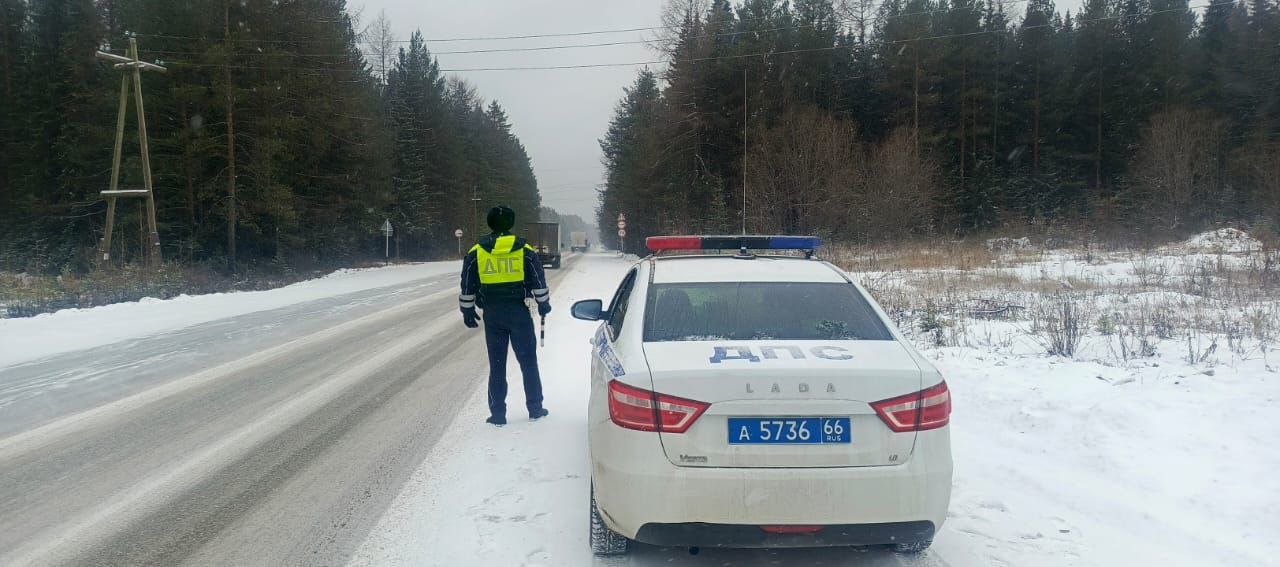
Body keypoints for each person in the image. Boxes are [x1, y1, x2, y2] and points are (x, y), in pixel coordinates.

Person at [459, 205, 552, 426]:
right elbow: (538, 279)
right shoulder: (524, 248)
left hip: (492, 315)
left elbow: (467, 284)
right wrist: (543, 303)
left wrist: (468, 310)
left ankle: (498, 414)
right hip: (518, 313)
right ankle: (535, 408)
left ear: (490, 224)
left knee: (497, 366)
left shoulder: (477, 251)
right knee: (528, 362)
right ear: (510, 223)